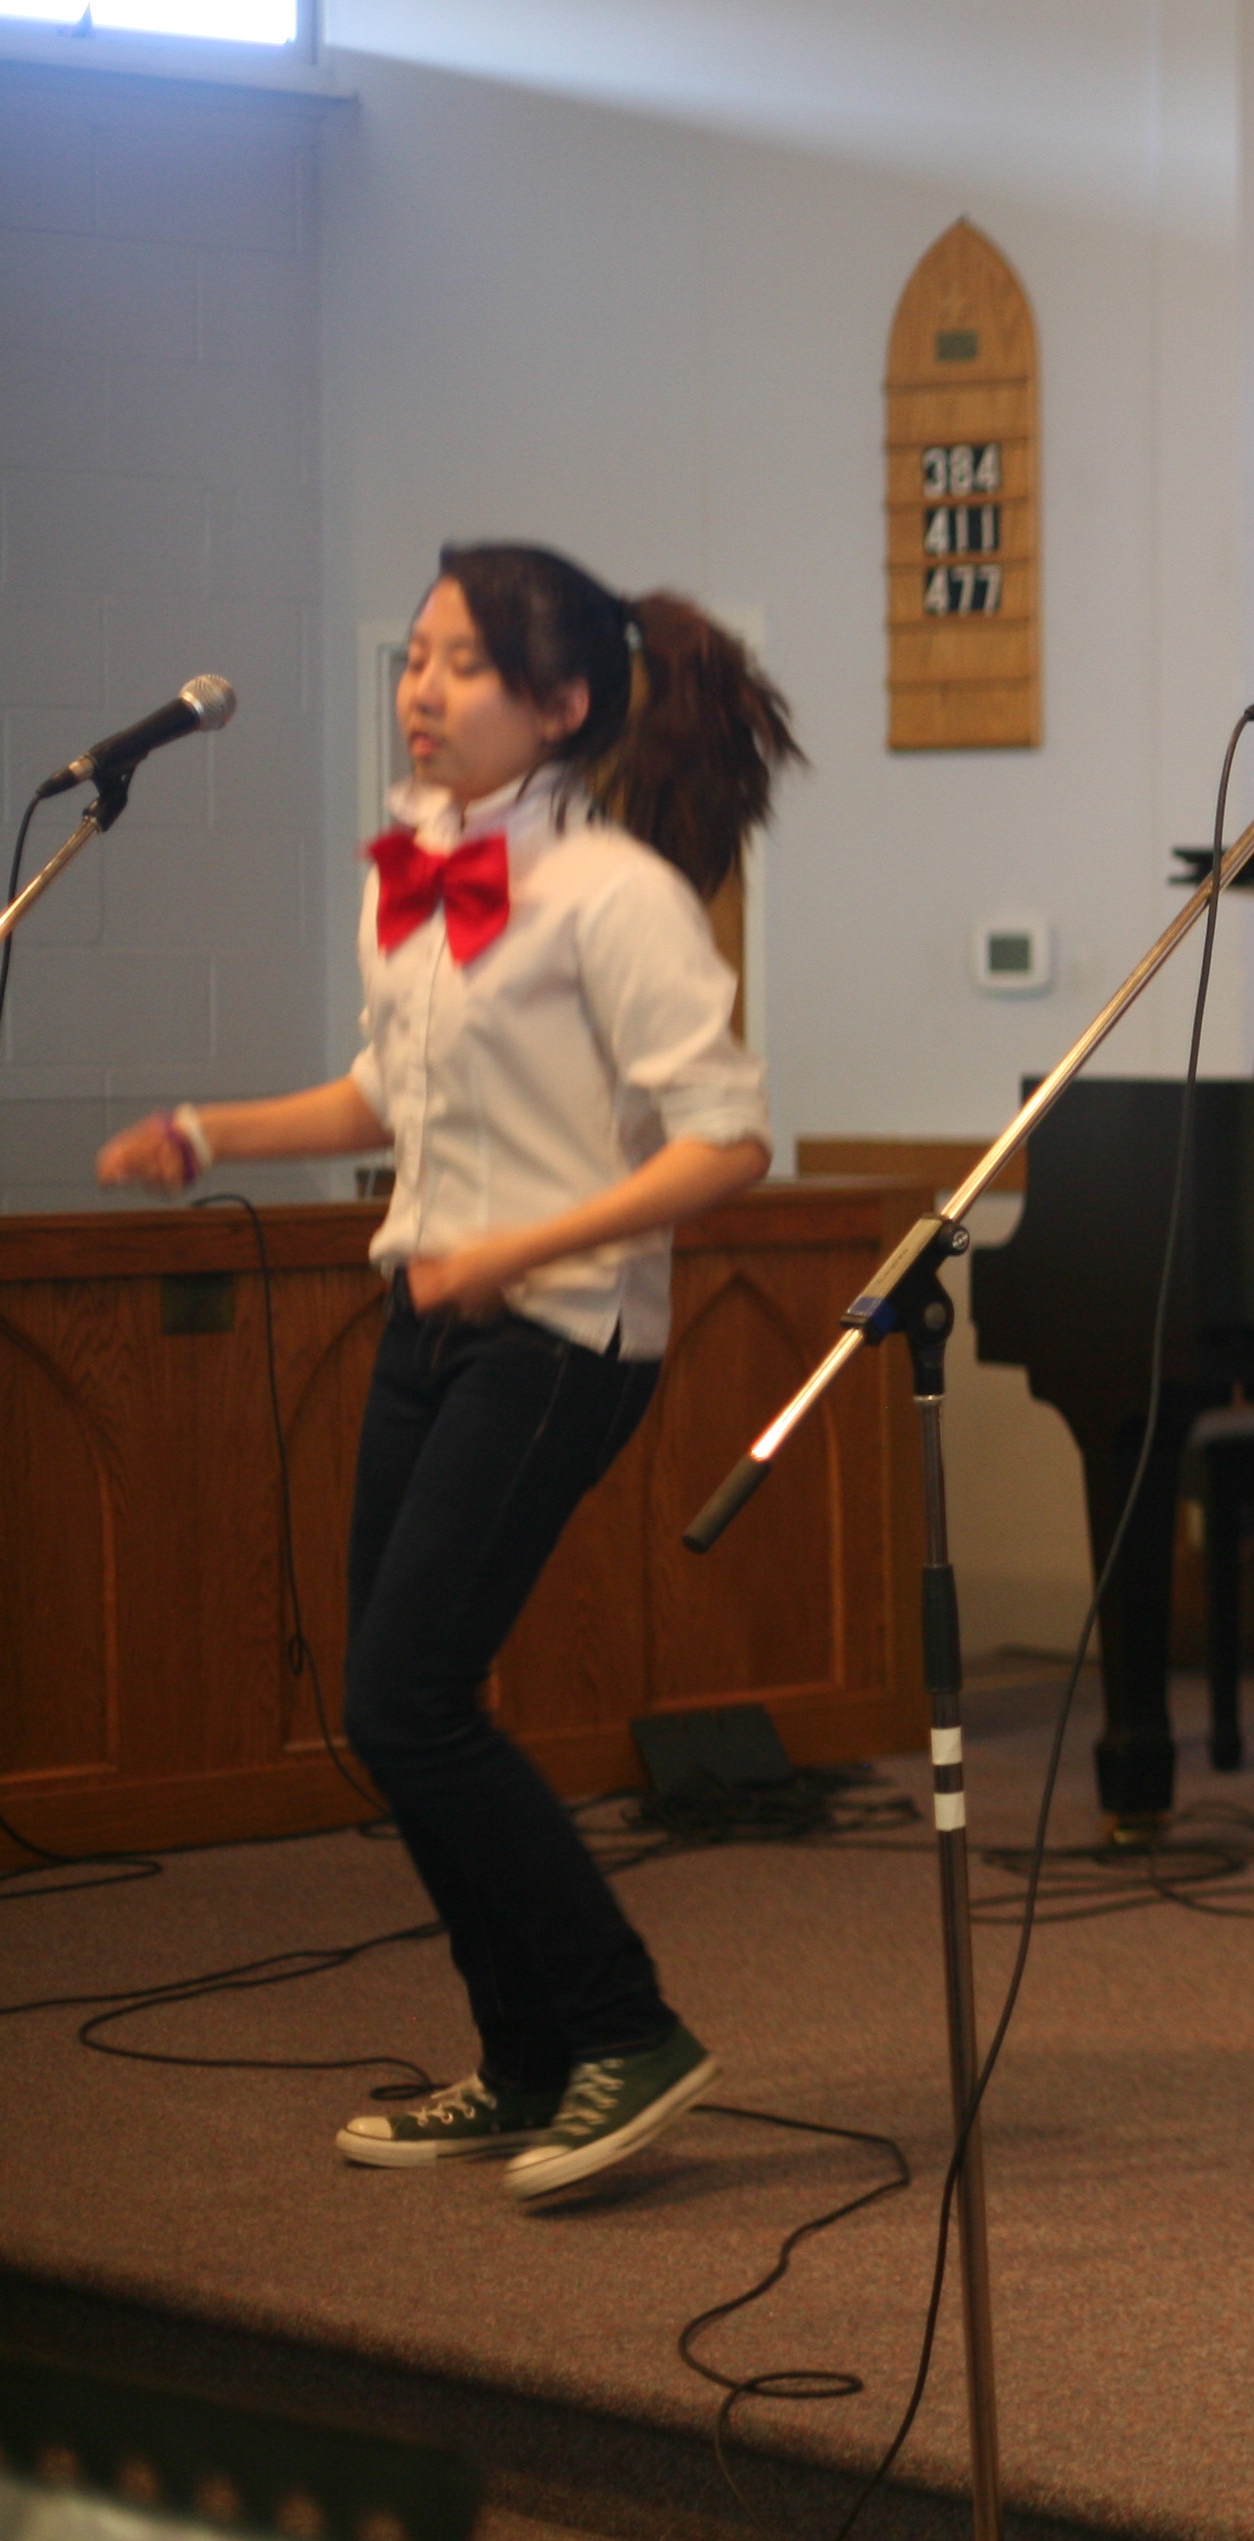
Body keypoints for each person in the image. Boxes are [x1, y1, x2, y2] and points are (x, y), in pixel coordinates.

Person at [99, 543, 799, 2203]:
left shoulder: (614, 893)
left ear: (560, 705)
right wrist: (213, 1133)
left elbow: (728, 1142)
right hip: (431, 1318)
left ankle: (630, 2029)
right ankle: (526, 2061)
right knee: (400, 1709)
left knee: (404, 1702)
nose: (421, 689)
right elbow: (385, 1092)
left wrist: (513, 1249)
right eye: (416, 657)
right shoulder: (415, 867)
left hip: (560, 1334)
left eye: (462, 663)